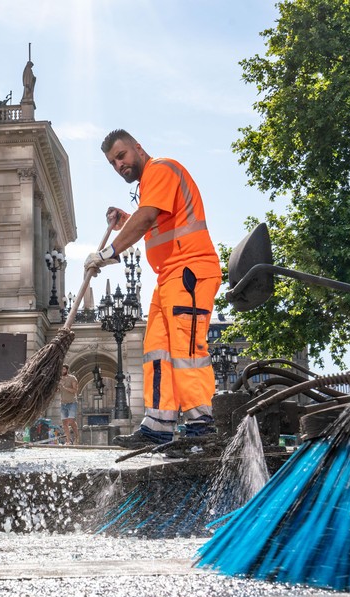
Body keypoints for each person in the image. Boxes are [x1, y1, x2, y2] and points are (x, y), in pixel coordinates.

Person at [85, 129, 221, 448]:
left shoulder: (160, 168)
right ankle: (158, 424)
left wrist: (109, 252)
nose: (119, 165)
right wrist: (126, 218)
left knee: (186, 351)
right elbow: (155, 217)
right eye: (112, 163)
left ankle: (202, 424)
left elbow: (148, 218)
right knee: (157, 350)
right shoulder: (150, 185)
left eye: (122, 156)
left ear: (138, 148)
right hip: (169, 276)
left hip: (190, 269)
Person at [58, 364, 80, 445]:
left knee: (71, 421)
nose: (62, 371)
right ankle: (68, 440)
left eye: (63, 369)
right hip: (63, 403)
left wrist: (65, 387)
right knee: (64, 423)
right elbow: (58, 391)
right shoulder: (59, 379)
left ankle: (77, 437)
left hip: (72, 402)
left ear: (67, 370)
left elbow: (75, 390)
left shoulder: (72, 378)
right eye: (61, 370)